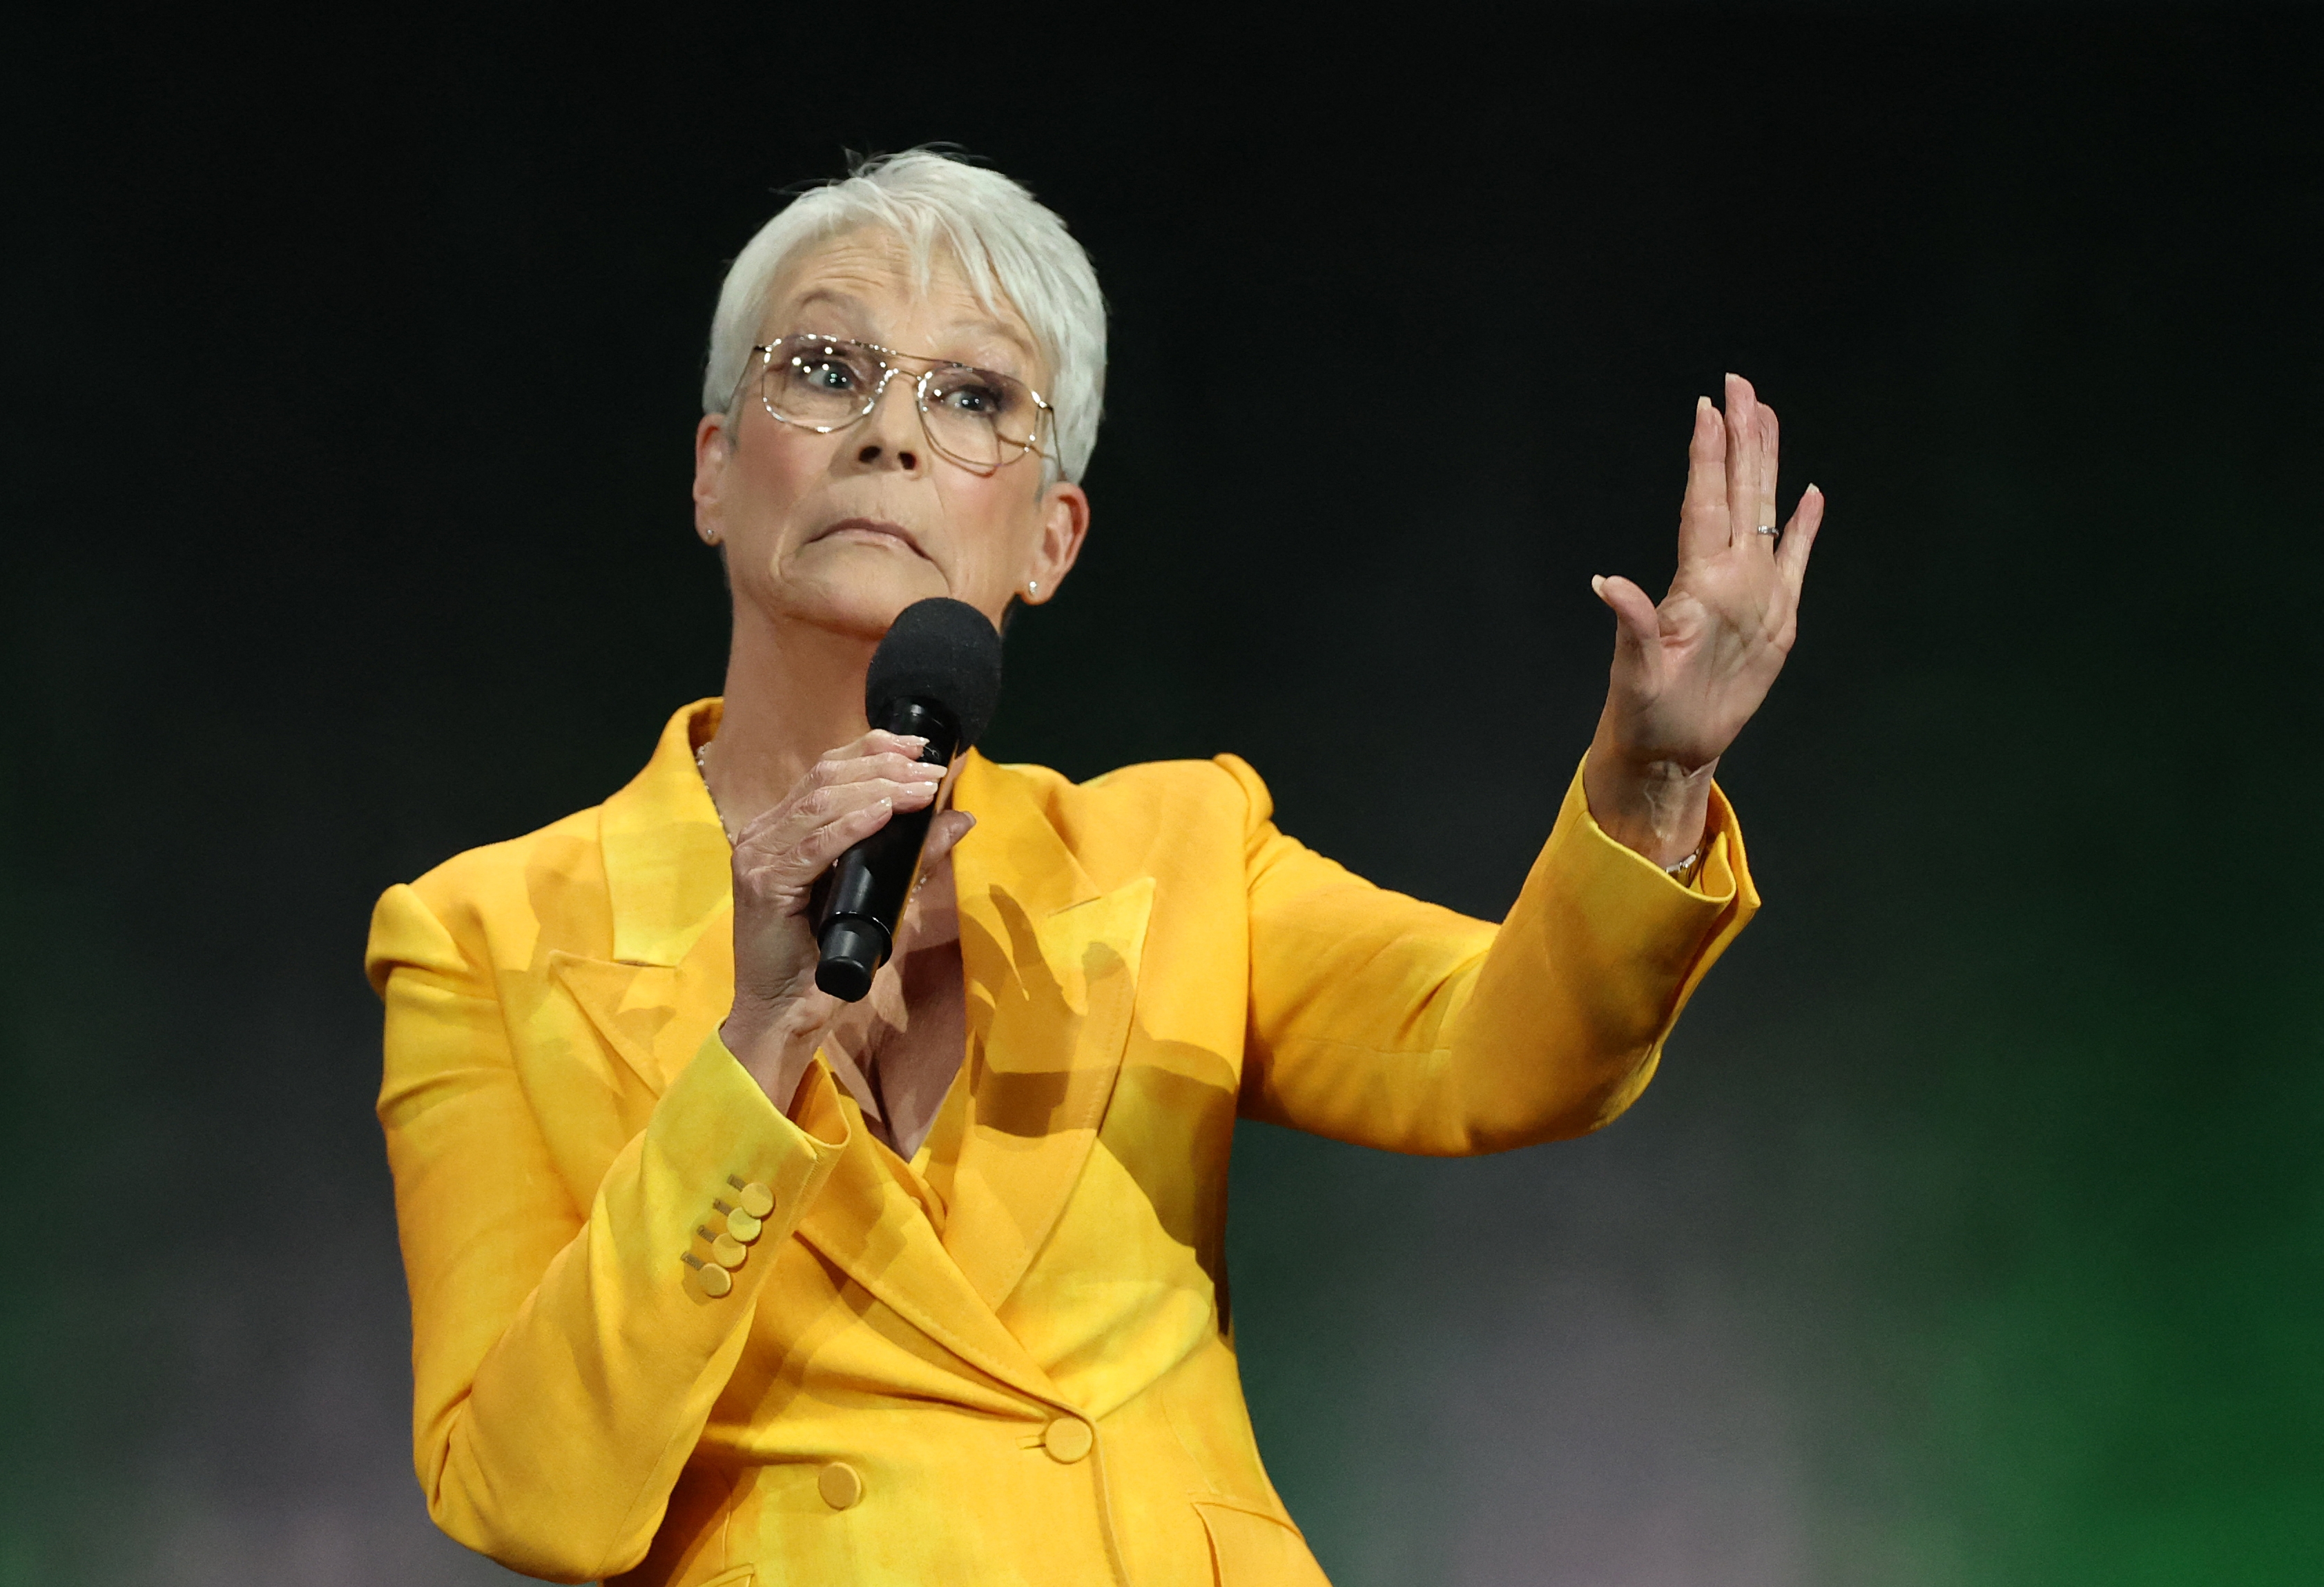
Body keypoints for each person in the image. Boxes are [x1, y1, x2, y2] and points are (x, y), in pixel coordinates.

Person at [367, 148, 1822, 1587]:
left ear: (1052, 540)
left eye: (974, 397)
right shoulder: (482, 937)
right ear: (713, 471)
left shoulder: (1179, 850)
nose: (890, 433)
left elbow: (1506, 1058)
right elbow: (531, 1494)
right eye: (824, 367)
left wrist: (1655, 776)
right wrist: (755, 1047)